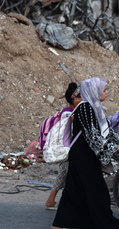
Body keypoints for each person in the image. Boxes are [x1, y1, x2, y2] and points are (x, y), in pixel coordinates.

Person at [50, 77, 119, 229]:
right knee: (98, 192)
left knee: (73, 192)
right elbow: (93, 136)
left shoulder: (94, 107)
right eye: (103, 90)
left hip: (83, 154)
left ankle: (59, 225)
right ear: (94, 92)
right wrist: (115, 148)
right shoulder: (86, 108)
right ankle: (110, 228)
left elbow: (107, 132)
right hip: (84, 155)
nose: (106, 92)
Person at [45, 82, 82, 210]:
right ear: (75, 99)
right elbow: (73, 120)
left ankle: (60, 200)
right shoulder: (67, 112)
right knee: (62, 176)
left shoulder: (70, 111)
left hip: (68, 149)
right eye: (81, 98)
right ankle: (51, 200)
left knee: (66, 176)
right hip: (65, 149)